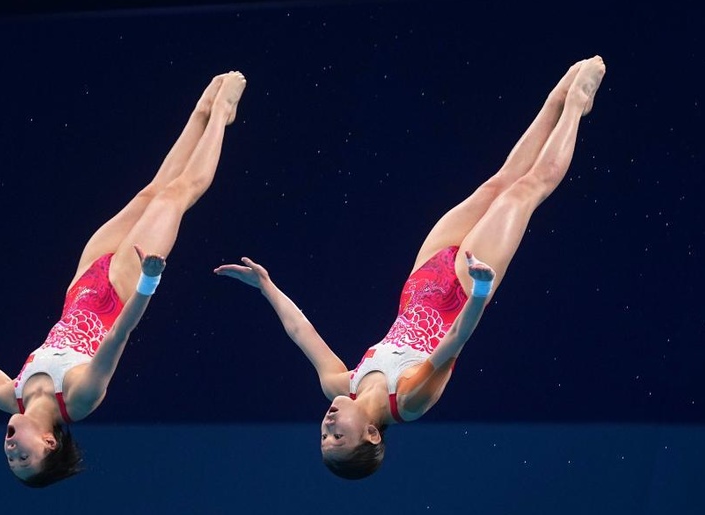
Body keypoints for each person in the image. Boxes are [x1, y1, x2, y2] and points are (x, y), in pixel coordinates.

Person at [215, 57, 605, 480]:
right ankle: (576, 106)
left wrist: (267, 286)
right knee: (524, 192)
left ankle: (556, 99)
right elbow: (455, 340)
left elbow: (301, 333)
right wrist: (478, 291)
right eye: (338, 439)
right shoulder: (411, 401)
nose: (326, 428)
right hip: (462, 290)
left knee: (498, 183)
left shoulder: (339, 385)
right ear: (372, 435)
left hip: (422, 279)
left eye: (322, 438)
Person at [0, 71, 247, 487]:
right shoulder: (78, 400)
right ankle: (221, 115)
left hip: (82, 284)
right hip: (123, 289)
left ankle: (199, 111)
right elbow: (117, 338)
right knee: (175, 197)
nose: (11, 452)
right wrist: (148, 282)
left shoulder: (9, 394)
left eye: (10, 461)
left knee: (150, 193)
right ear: (50, 444)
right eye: (24, 459)